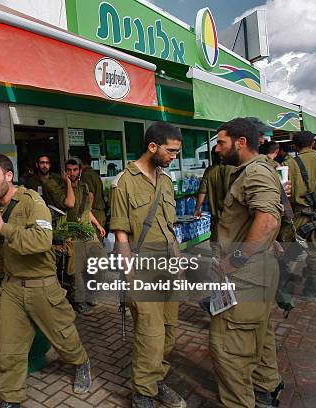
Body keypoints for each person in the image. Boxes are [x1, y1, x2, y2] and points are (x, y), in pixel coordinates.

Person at [0, 154, 91, 408]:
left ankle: (82, 363)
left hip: (41, 286)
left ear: (8, 176)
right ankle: (11, 399)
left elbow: (42, 241)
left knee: (64, 338)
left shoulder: (32, 202)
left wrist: (4, 227)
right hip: (11, 288)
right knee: (9, 351)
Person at [109, 122, 185, 408]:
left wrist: (178, 264)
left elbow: (169, 227)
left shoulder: (165, 180)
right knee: (149, 333)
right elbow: (120, 234)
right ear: (152, 147)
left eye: (177, 152)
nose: (174, 157)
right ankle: (143, 393)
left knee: (168, 329)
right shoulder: (123, 183)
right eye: (171, 151)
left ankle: (156, 380)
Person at [210, 118, 284, 408]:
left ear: (241, 142)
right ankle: (265, 391)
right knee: (259, 336)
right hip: (258, 275)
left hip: (245, 279)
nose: (217, 149)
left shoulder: (255, 173)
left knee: (229, 350)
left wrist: (233, 261)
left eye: (221, 142)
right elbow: (262, 220)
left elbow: (266, 221)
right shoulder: (256, 171)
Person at [62, 159, 106, 314]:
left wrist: (97, 225)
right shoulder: (62, 189)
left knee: (101, 263)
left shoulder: (84, 186)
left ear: (80, 171)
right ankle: (79, 301)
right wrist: (68, 183)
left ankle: (90, 293)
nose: (72, 173)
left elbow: (87, 210)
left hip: (88, 232)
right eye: (69, 170)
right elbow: (69, 204)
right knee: (77, 271)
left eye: (75, 170)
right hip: (73, 234)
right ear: (65, 171)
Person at [287, 131, 316, 298]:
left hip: (299, 217)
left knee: (288, 252)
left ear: (294, 146)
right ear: (313, 143)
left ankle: (286, 284)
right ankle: (313, 291)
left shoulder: (290, 164)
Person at [194, 147, 234, 259]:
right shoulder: (234, 169)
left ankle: (219, 273)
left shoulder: (209, 171)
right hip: (233, 221)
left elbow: (202, 192)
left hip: (217, 221)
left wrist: (197, 209)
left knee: (217, 254)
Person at [78, 151, 107, 231]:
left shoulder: (86, 175)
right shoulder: (94, 173)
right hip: (100, 212)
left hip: (94, 213)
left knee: (94, 241)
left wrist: (87, 212)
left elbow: (90, 194)